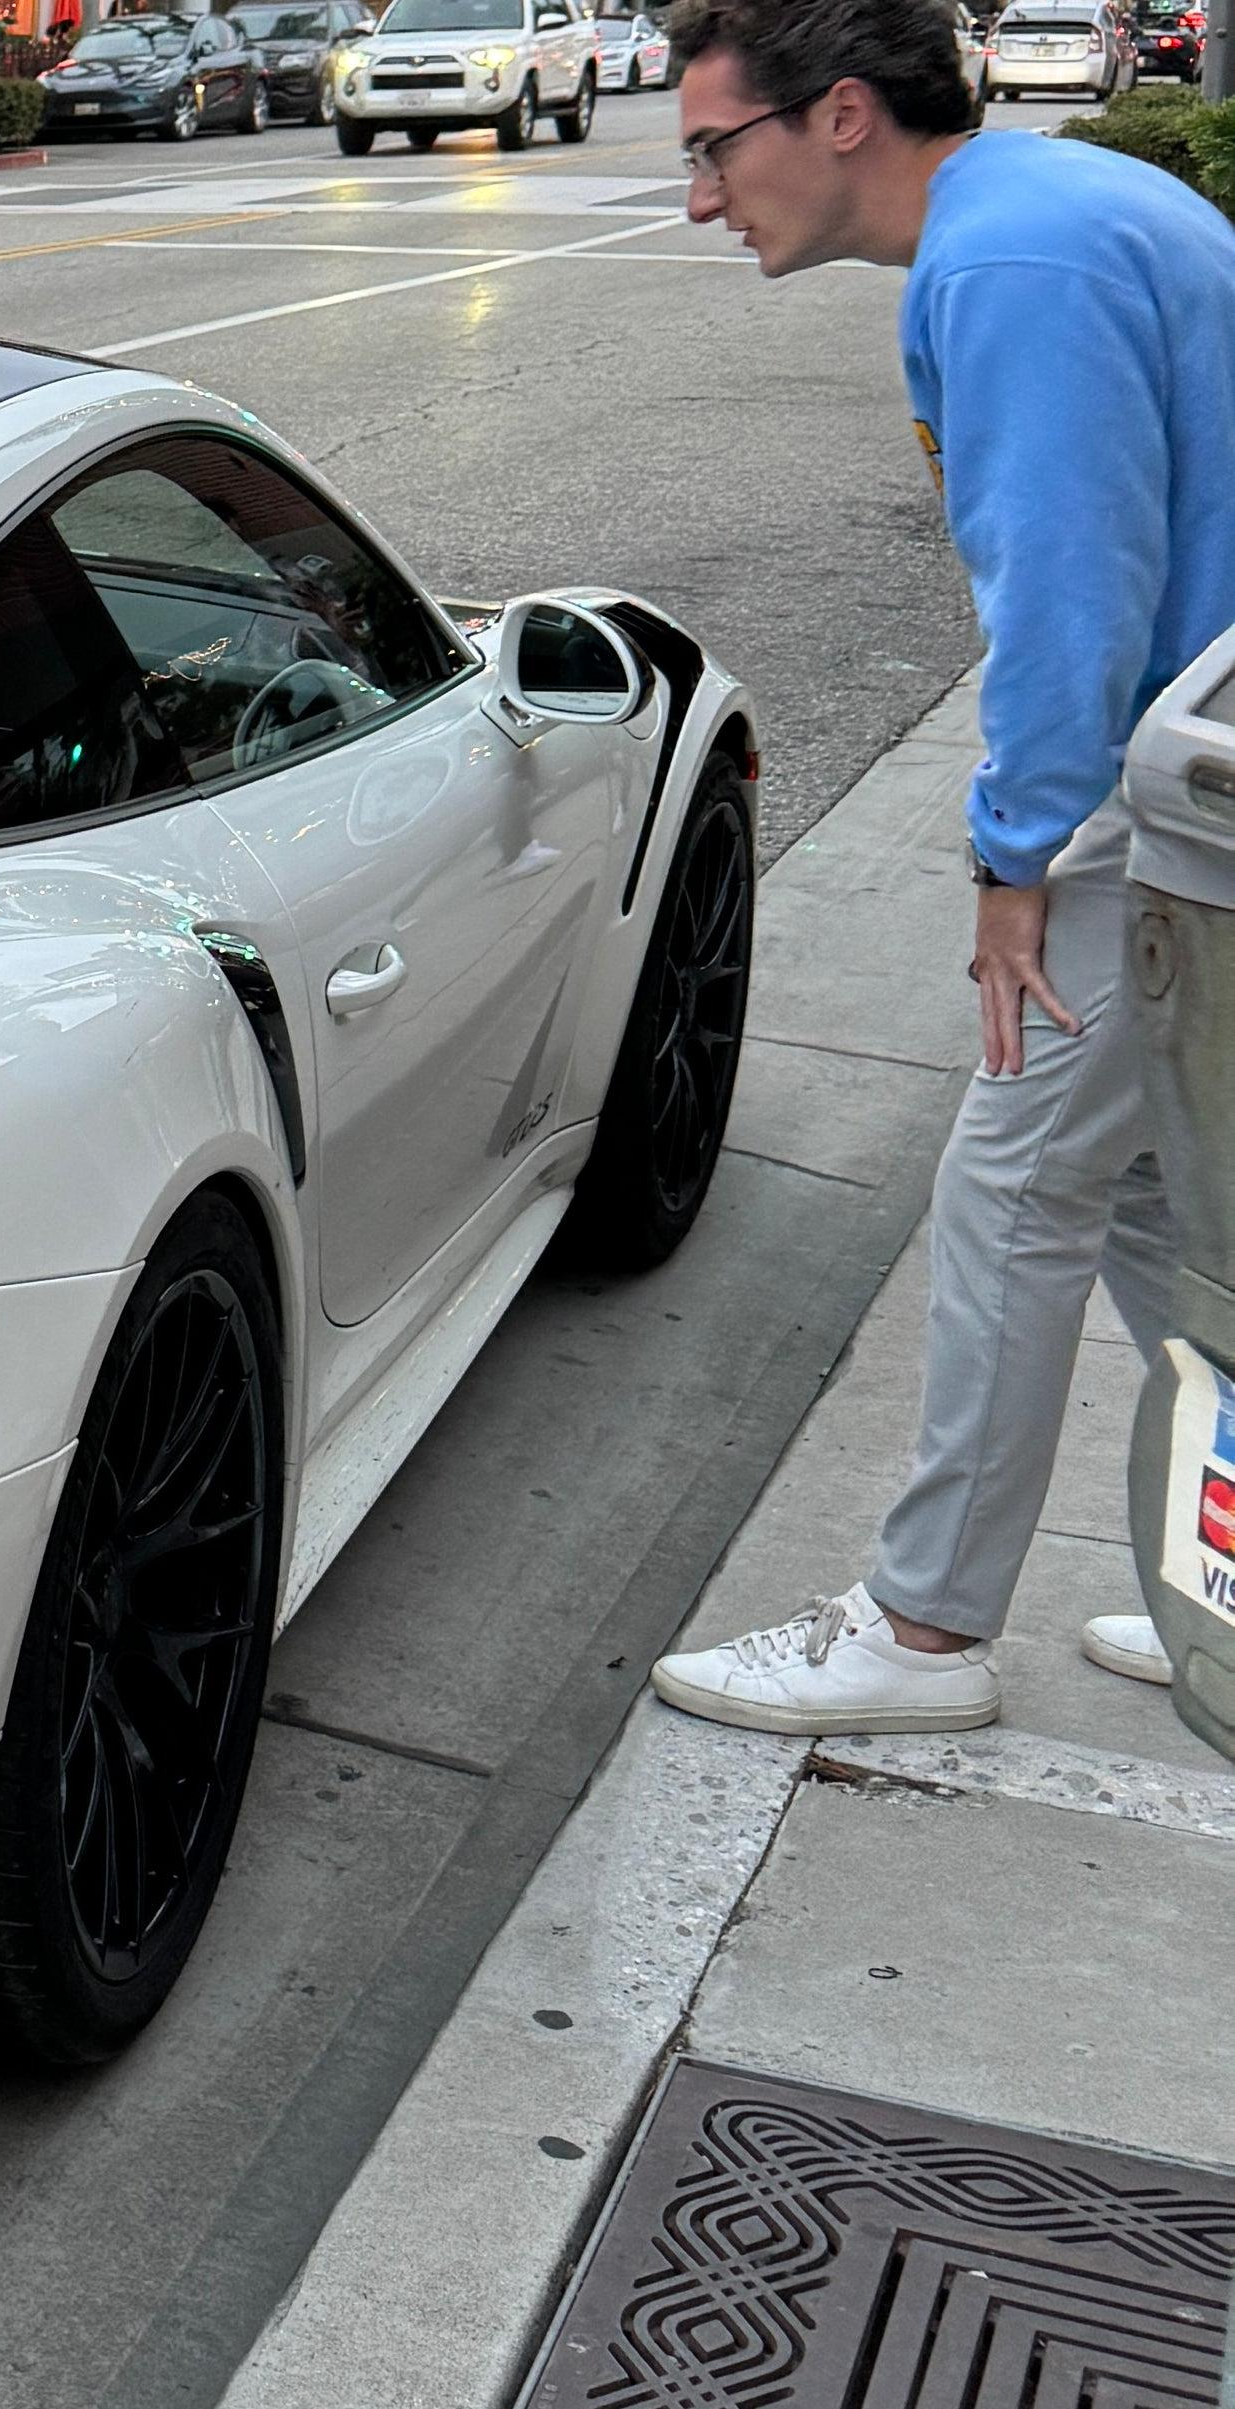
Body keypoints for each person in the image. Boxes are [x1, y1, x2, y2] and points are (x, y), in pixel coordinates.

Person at [643, 0, 1235, 1742]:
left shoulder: (1011, 271)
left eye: (709, 149)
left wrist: (1013, 853)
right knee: (1153, 1205)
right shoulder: (1039, 215)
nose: (696, 199)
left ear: (836, 118)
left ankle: (922, 1631)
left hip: (1170, 785)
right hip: (1201, 758)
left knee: (1013, 1191)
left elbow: (1071, 588)